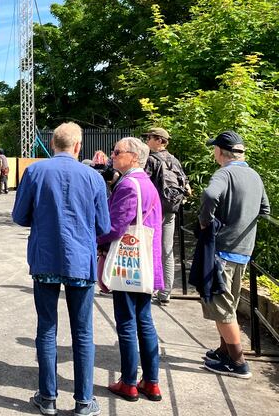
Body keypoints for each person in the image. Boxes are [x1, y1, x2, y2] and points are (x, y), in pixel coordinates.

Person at [12, 122, 110, 416]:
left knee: (47, 328)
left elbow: (19, 216)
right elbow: (104, 226)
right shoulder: (93, 177)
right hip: (81, 262)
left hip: (45, 259)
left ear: (53, 144)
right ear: (79, 147)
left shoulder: (34, 171)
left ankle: (48, 398)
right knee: (83, 332)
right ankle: (83, 402)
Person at [198, 131, 270, 379]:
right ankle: (224, 352)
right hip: (243, 250)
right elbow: (265, 208)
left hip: (224, 250)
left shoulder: (225, 173)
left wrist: (205, 222)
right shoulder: (254, 175)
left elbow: (209, 196)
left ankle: (238, 363)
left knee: (222, 308)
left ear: (220, 151)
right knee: (229, 302)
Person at [98, 137, 164, 402]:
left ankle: (128, 382)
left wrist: (97, 243)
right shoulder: (147, 183)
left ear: (134, 157)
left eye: (117, 152)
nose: (113, 156)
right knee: (145, 321)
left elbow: (114, 226)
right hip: (146, 261)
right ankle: (152, 381)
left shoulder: (129, 184)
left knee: (126, 323)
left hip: (129, 263)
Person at [143, 127, 189, 305]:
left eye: (149, 138)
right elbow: (186, 186)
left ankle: (147, 288)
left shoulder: (151, 160)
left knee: (148, 248)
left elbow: (144, 183)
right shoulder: (175, 160)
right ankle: (165, 292)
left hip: (154, 211)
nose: (147, 141)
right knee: (166, 250)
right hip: (171, 210)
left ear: (158, 140)